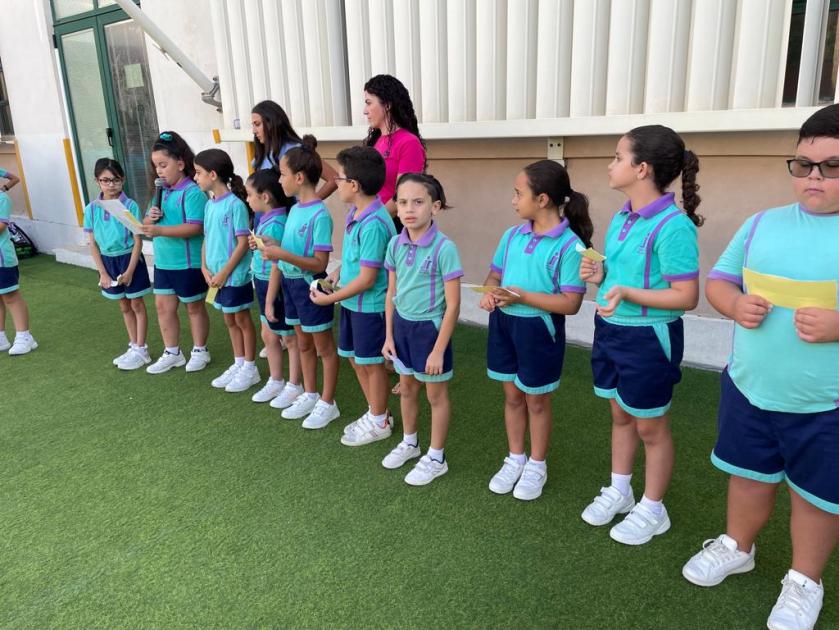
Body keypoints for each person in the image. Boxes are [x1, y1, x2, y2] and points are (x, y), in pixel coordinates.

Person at [681, 104, 839, 630]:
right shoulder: (761, 224)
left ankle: (804, 580)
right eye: (804, 164)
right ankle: (737, 545)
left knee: (817, 497)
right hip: (750, 388)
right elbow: (720, 282)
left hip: (827, 404)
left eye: (832, 166)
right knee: (748, 476)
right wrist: (734, 304)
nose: (814, 177)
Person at [579, 125, 702, 544]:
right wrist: (600, 275)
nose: (610, 165)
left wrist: (628, 292)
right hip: (610, 330)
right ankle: (621, 490)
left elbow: (686, 296)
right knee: (620, 414)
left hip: (649, 339)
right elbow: (619, 277)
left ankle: (653, 508)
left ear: (642, 168)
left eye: (618, 157)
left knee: (651, 427)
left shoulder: (673, 226)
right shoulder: (622, 216)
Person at [479, 160, 590, 501]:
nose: (513, 200)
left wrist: (523, 296)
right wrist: (490, 294)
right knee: (512, 395)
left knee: (537, 401)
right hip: (504, 325)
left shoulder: (570, 246)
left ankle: (537, 465)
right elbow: (494, 276)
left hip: (539, 332)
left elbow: (571, 303)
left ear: (542, 200)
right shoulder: (512, 235)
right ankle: (516, 458)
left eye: (518, 193)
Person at [307, 146, 396, 446]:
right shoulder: (356, 213)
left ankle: (379, 419)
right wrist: (336, 275)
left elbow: (368, 278)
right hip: (352, 302)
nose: (336, 182)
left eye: (340, 177)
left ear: (354, 185)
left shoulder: (374, 223)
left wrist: (330, 299)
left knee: (371, 364)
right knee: (357, 360)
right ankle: (376, 412)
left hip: (370, 307)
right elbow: (355, 260)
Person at [380, 173, 462, 485]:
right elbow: (391, 292)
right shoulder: (394, 243)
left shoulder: (445, 248)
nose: (409, 209)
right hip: (401, 328)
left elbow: (453, 305)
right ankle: (410, 442)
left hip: (430, 332)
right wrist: (389, 335)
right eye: (402, 202)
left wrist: (439, 349)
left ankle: (436, 456)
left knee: (435, 395)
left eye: (418, 202)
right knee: (407, 387)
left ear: (435, 207)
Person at [259, 137, 340, 429]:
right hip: (291, 285)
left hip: (311, 287)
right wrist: (272, 244)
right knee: (303, 344)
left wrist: (281, 253)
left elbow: (319, 264)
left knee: (323, 348)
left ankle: (328, 403)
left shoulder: (319, 214)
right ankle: (310, 393)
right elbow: (290, 250)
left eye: (282, 174)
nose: (279, 180)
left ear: (299, 177)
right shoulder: (294, 210)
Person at [142, 131, 211, 374]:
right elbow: (147, 224)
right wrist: (149, 220)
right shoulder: (160, 192)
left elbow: (196, 227)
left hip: (187, 262)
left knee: (194, 307)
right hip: (164, 262)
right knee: (163, 307)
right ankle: (172, 352)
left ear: (180, 164)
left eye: (164, 165)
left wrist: (160, 229)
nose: (159, 171)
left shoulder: (193, 192)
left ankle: (200, 350)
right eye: (156, 166)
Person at [193, 148, 259, 393]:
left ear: (213, 174)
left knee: (241, 319)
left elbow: (242, 243)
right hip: (216, 277)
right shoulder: (210, 205)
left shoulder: (235, 205)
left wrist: (224, 273)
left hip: (234, 276)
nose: (195, 178)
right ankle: (238, 362)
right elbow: (207, 238)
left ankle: (250, 367)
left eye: (198, 172)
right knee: (229, 319)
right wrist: (204, 267)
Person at [84, 158, 151, 370]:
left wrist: (130, 270)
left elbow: (138, 240)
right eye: (105, 180)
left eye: (115, 180)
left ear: (123, 179)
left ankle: (141, 349)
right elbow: (92, 243)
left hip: (129, 258)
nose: (111, 185)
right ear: (97, 181)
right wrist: (102, 273)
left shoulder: (129, 205)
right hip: (108, 261)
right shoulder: (92, 209)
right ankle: (134, 345)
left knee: (136, 304)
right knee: (124, 305)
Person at [245, 168, 303, 407]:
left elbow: (278, 265)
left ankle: (294, 384)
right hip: (262, 281)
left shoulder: (277, 223)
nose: (247, 199)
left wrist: (269, 299)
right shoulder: (266, 219)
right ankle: (276, 380)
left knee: (289, 338)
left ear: (265, 197)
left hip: (274, 284)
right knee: (268, 334)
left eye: (250, 194)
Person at [362, 74, 427, 231]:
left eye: (369, 103)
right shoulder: (376, 142)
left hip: (392, 227)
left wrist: (374, 222)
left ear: (387, 105)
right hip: (371, 224)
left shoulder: (409, 143)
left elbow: (404, 195)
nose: (365, 111)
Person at [251, 100, 338, 199]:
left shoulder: (296, 150)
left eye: (257, 124)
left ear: (271, 123)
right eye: (252, 125)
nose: (254, 131)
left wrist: (310, 203)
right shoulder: (261, 154)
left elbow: (333, 179)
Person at [0, 166, 36, 355]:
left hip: (2, 259)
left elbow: (1, 225)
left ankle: (24, 336)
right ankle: (1, 337)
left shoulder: (2, 199)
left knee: (11, 296)